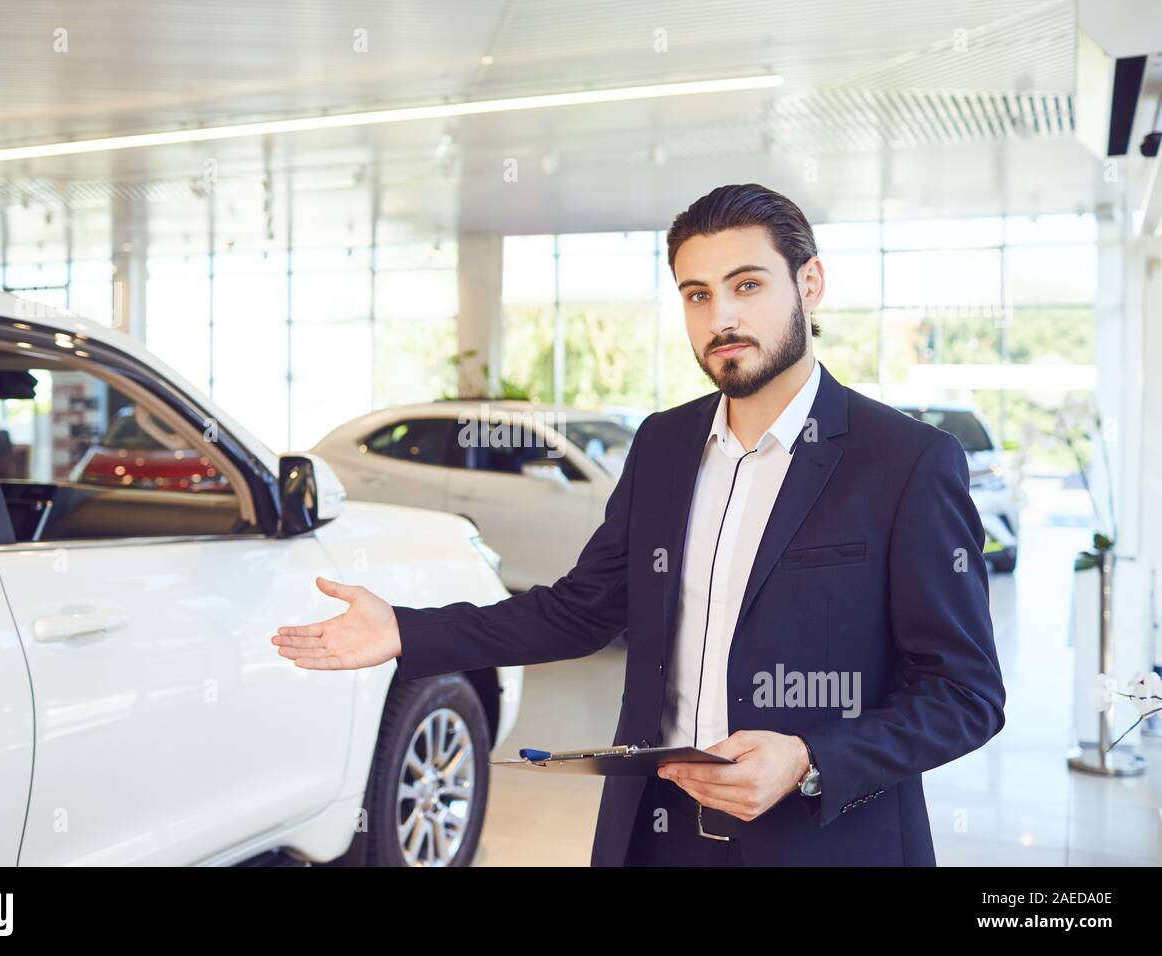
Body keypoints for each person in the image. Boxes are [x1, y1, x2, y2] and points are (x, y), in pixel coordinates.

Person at [271, 183, 1006, 866]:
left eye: (747, 285)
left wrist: (811, 760)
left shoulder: (905, 462)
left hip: (823, 839)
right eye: (697, 294)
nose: (721, 317)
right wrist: (406, 630)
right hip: (656, 833)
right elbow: (581, 610)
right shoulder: (663, 444)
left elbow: (965, 693)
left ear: (808, 284)